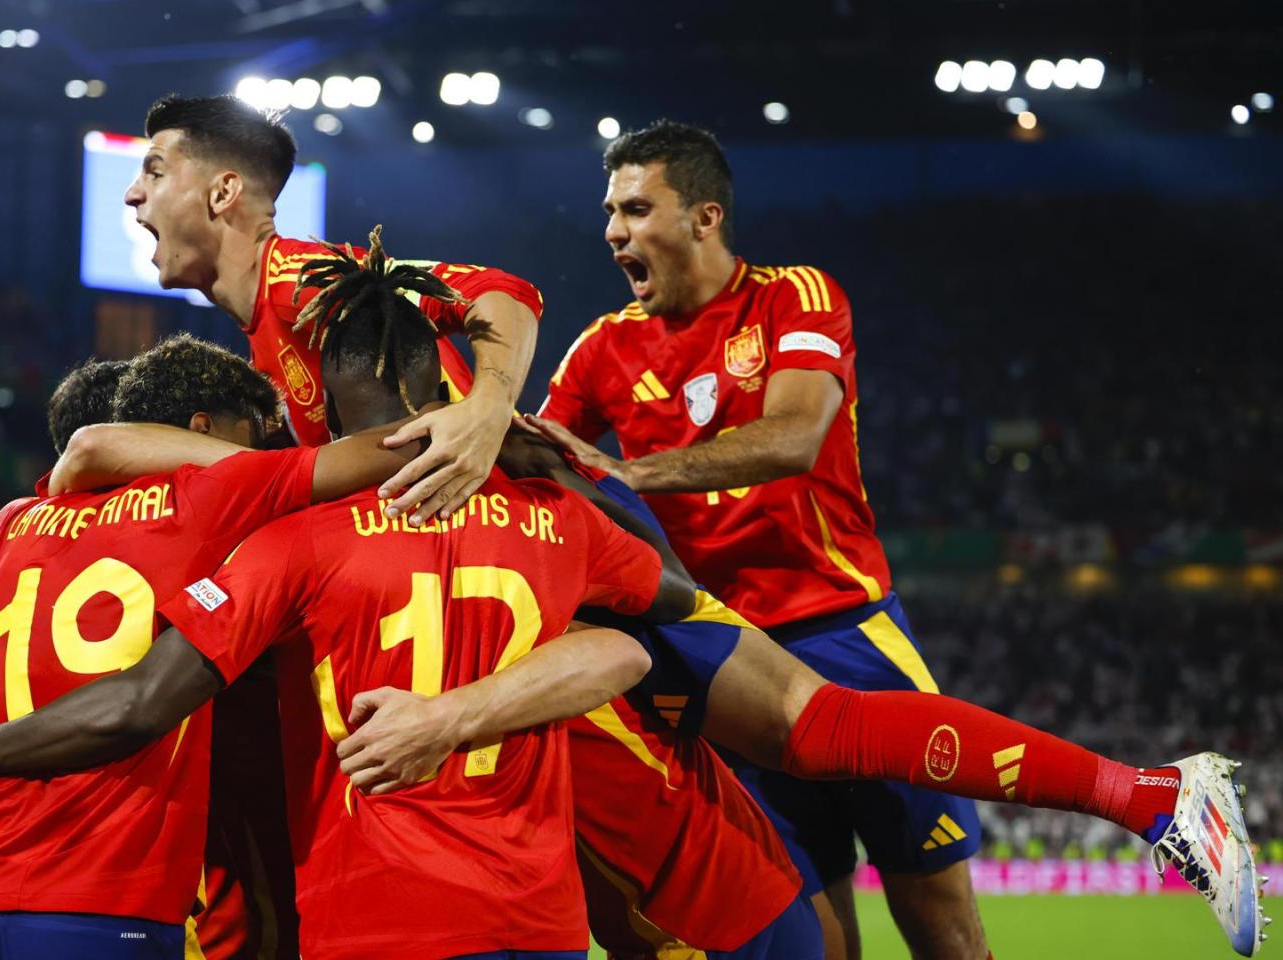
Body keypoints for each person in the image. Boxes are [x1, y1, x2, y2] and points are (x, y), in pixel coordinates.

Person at [527, 119, 1266, 959]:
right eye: (609, 211)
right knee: (816, 938)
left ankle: (1159, 798)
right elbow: (553, 469)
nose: (613, 231)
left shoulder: (792, 297)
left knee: (942, 930)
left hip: (844, 632)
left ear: (704, 217)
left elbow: (795, 436)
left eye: (635, 208)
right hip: (731, 665)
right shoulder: (601, 348)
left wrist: (629, 473)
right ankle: (1148, 798)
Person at [0, 248, 692, 959]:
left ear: (327, 410)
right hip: (537, 916)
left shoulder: (279, 543)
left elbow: (137, 692)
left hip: (369, 914)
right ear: (440, 394)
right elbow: (671, 593)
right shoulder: (553, 520)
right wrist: (538, 454)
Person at [0, 336, 497, 959]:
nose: (265, 447)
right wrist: (492, 415)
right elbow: (382, 450)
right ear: (206, 428)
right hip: (105, 896)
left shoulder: (15, 522)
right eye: (255, 431)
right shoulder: (205, 500)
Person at [119, 93, 544, 521]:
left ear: (224, 191)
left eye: (154, 172)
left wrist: (489, 409)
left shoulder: (302, 280)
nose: (132, 194)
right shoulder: (264, 325)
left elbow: (502, 290)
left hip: (496, 534)